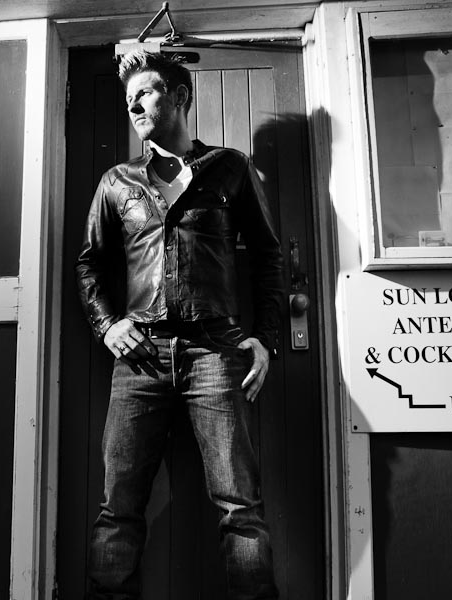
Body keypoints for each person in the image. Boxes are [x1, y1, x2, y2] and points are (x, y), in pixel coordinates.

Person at [75, 49, 283, 600]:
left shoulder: (230, 168)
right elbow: (89, 263)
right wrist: (107, 325)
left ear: (180, 96)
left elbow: (268, 257)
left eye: (145, 93)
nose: (133, 106)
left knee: (240, 508)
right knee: (118, 508)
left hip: (215, 352)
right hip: (139, 358)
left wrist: (265, 338)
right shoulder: (117, 181)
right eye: (128, 99)